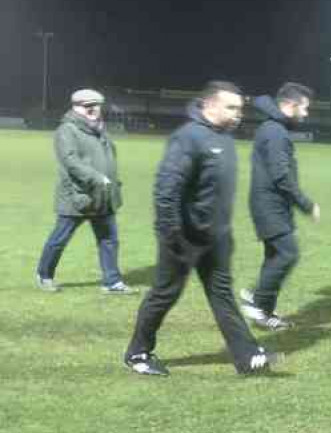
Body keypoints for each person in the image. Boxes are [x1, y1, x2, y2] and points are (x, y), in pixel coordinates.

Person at [124, 82, 281, 377]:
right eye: (231, 107)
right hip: (183, 237)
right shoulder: (189, 138)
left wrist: (224, 233)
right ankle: (137, 353)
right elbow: (166, 189)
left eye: (240, 108)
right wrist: (171, 234)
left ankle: (247, 357)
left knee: (222, 296)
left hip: (215, 238)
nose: (238, 114)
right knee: (165, 294)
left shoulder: (225, 138)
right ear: (209, 106)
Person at [36, 88, 138, 294]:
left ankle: (111, 282)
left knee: (109, 240)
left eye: (96, 105)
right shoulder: (67, 130)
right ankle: (44, 275)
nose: (93, 110)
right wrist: (97, 177)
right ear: (75, 107)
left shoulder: (99, 128)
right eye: (87, 106)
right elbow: (70, 162)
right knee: (59, 239)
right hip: (78, 196)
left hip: (104, 196)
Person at [240, 83, 320, 330]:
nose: (306, 114)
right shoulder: (275, 132)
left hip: (273, 204)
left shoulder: (274, 128)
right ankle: (256, 299)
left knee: (274, 255)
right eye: (304, 108)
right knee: (288, 254)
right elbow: (281, 176)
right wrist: (307, 205)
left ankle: (264, 312)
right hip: (269, 205)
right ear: (290, 105)